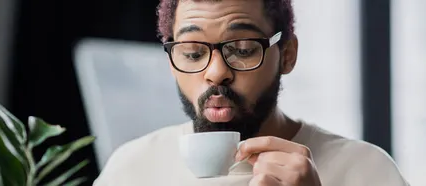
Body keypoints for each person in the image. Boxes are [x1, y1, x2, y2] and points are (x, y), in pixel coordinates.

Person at [92, 0, 409, 185]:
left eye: (242, 49)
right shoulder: (131, 170)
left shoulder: (367, 170)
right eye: (192, 53)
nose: (216, 72)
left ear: (287, 55)